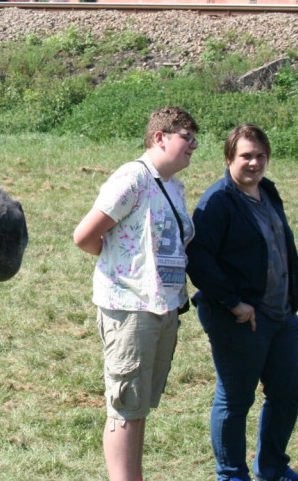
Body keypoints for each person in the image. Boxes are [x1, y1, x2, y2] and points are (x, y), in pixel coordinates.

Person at [73, 106, 199, 481]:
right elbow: (84, 236)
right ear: (160, 138)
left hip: (163, 307)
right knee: (125, 405)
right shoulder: (133, 178)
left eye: (195, 138)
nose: (194, 145)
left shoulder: (174, 185)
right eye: (186, 137)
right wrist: (118, 267)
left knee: (139, 404)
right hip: (129, 308)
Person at [187, 124, 298, 481]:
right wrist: (234, 303)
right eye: (246, 156)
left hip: (280, 312)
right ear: (229, 158)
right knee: (236, 399)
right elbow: (198, 259)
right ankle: (231, 475)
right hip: (239, 317)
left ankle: (272, 468)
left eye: (260, 155)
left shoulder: (268, 191)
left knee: (289, 391)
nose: (254, 163)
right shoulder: (217, 202)